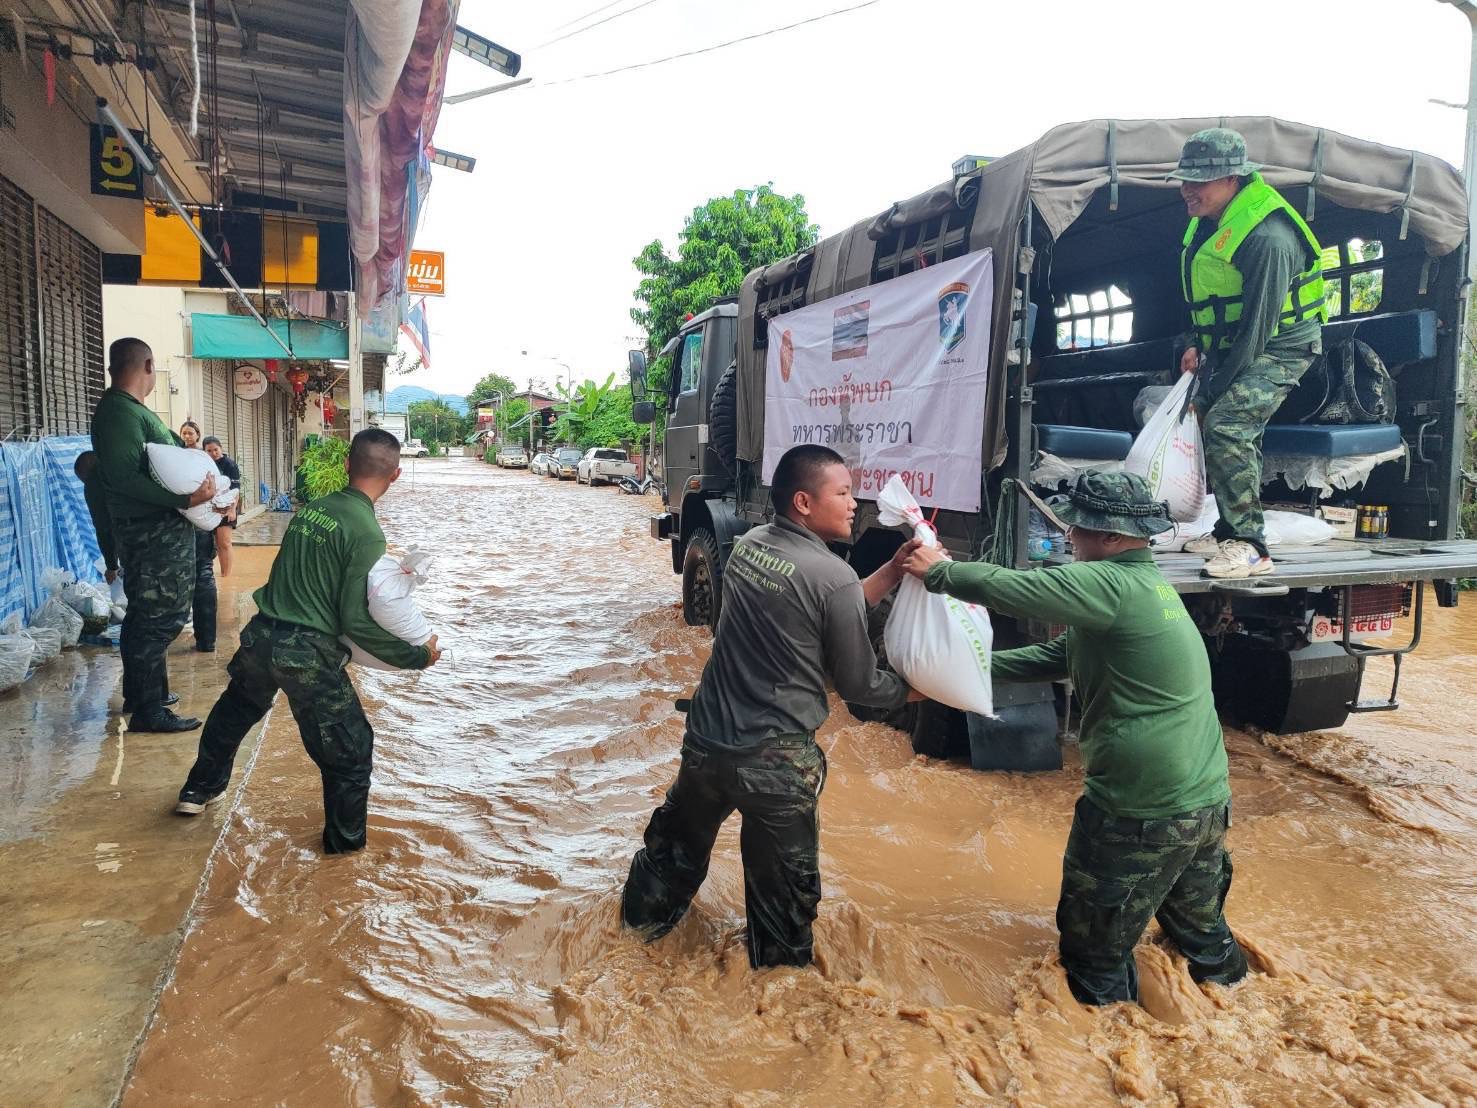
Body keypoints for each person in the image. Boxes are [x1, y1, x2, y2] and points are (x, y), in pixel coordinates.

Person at [903, 471, 1247, 1006]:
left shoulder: (1109, 583)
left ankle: (1110, 1044)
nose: (1069, 535)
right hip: (1203, 802)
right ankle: (1238, 1012)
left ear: (1109, 535)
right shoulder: (1150, 586)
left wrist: (941, 573)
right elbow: (1057, 656)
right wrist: (961, 672)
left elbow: (1017, 591)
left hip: (1140, 809)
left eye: (1077, 527)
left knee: (1093, 954)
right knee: (1201, 936)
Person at [622, 444, 920, 968]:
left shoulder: (750, 547)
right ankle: (774, 992)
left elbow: (826, 603)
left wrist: (892, 571)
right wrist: (915, 691)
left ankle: (628, 946)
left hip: (706, 743)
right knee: (782, 908)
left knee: (667, 861)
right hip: (775, 766)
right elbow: (858, 685)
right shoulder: (832, 576)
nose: (855, 503)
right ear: (804, 502)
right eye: (843, 493)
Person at [174, 428, 442, 854]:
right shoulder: (366, 530)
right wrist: (415, 656)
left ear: (347, 464)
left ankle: (198, 790)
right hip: (305, 652)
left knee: (235, 712)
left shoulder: (313, 509)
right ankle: (343, 856)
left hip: (261, 636)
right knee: (350, 753)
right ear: (395, 475)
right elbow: (355, 619)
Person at [1168, 127, 1328, 580]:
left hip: (1282, 345)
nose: (1188, 189)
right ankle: (1228, 530)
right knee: (1232, 429)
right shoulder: (1210, 220)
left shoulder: (1268, 237)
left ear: (1232, 179)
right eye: (1185, 179)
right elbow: (1209, 298)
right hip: (1238, 342)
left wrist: (1211, 394)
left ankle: (1252, 547)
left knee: (1226, 424)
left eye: (1200, 181)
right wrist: (1194, 343)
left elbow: (1257, 329)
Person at [91, 338, 217, 732]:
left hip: (158, 532)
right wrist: (184, 499)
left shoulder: (130, 410)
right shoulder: (118, 412)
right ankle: (149, 711)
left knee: (147, 616)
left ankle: (146, 696)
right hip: (151, 536)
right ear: (148, 365)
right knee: (159, 618)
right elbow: (124, 478)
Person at [73, 450, 117, 584]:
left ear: (84, 473)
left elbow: (103, 527)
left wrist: (111, 566)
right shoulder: (119, 465)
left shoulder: (94, 483)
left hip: (141, 542)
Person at [202, 436, 240, 577]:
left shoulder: (229, 465)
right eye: (209, 451)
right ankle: (218, 573)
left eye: (216, 450)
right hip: (209, 508)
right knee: (214, 544)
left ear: (221, 448)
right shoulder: (204, 464)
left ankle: (226, 576)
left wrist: (232, 510)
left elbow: (236, 490)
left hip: (226, 508)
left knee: (224, 542)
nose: (213, 453)